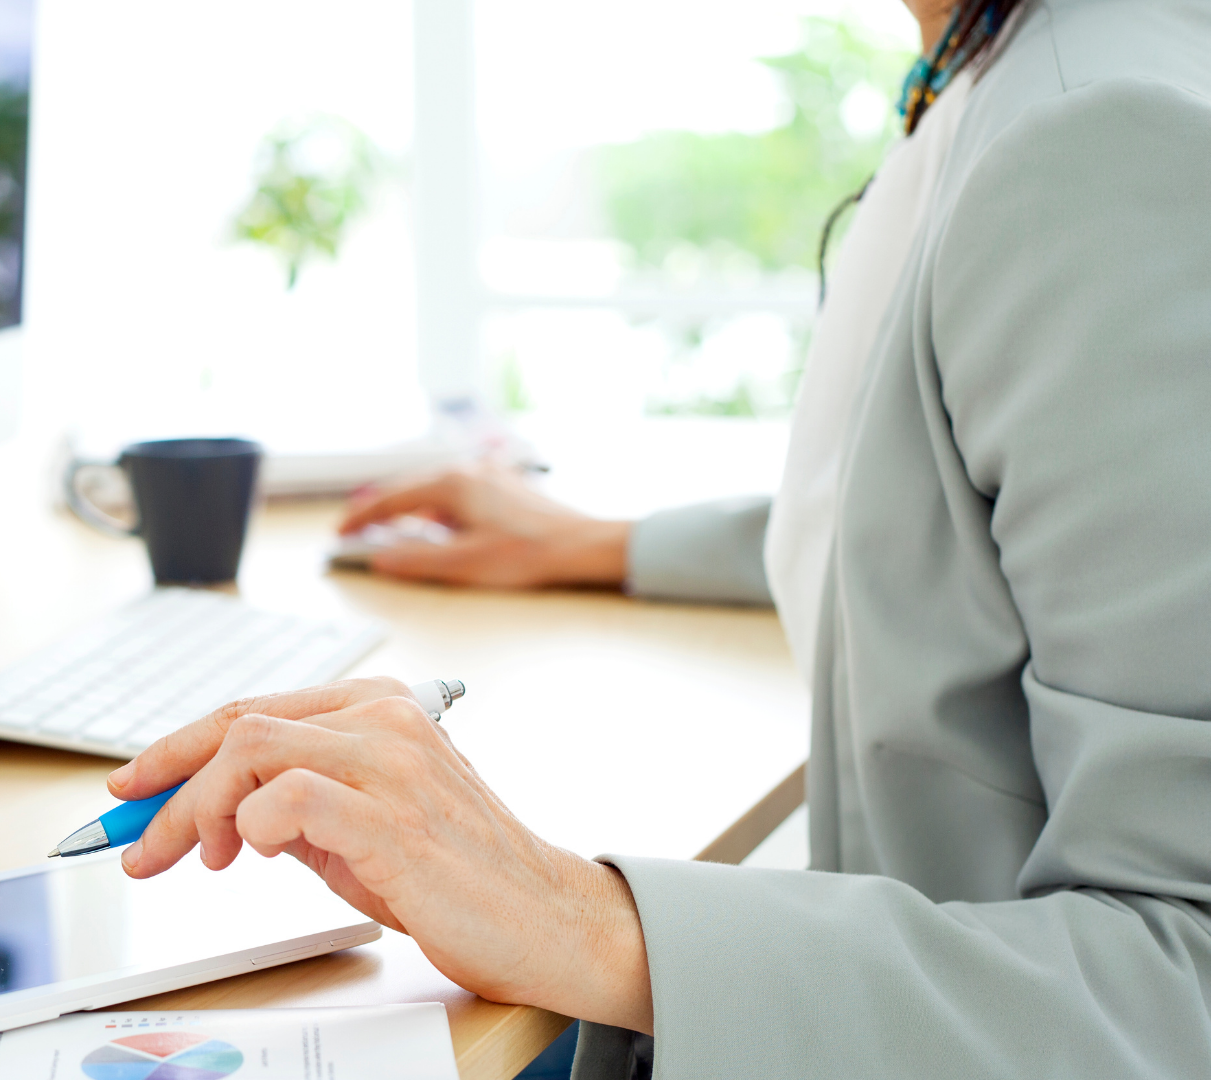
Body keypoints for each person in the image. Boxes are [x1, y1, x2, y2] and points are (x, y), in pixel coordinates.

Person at [108, 0, 1211, 1075]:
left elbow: (1187, 984)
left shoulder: (1097, 143)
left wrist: (573, 918)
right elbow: (958, 525)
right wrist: (595, 544)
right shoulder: (1020, 62)